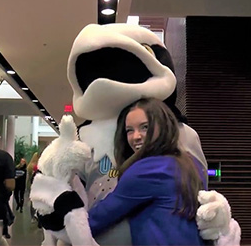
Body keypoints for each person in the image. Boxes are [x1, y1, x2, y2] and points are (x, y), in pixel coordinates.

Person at [87, 98, 205, 245]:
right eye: (130, 130)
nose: (136, 136)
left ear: (163, 126)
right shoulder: (192, 163)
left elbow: (96, 219)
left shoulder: (147, 169)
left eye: (145, 127)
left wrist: (64, 221)